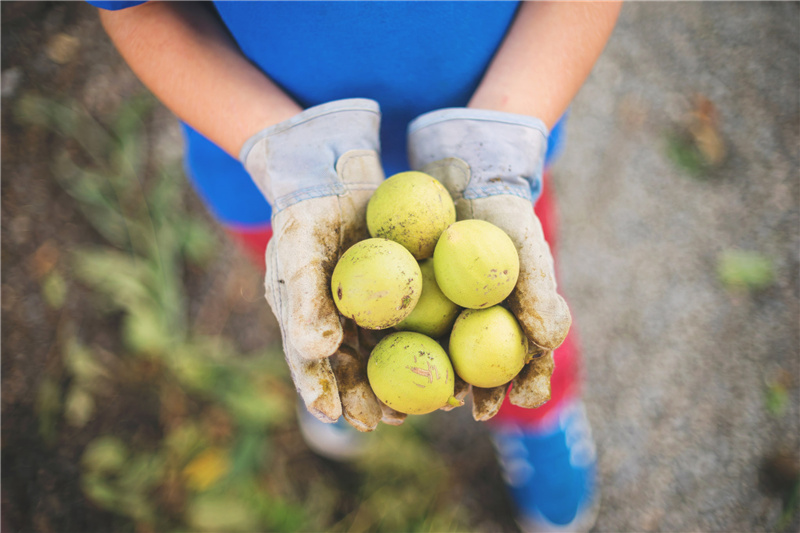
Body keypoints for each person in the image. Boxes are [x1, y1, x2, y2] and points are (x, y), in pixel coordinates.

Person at [90, 2, 621, 531]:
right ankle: (342, 364)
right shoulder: (300, 192)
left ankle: (538, 420)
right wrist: (284, 149)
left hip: (485, 155)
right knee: (311, 290)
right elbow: (137, 10)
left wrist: (504, 127)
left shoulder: (478, 214)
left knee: (527, 309)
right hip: (285, 176)